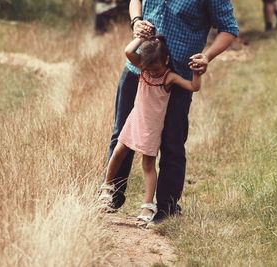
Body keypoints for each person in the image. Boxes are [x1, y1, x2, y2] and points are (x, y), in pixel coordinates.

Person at [104, 0, 239, 226]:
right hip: (140, 68)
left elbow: (229, 29)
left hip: (178, 72)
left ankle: (165, 208)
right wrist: (136, 21)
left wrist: (207, 56)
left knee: (172, 143)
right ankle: (111, 196)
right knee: (122, 134)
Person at [99, 35, 202, 223]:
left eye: (157, 68)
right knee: (118, 153)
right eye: (149, 69)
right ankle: (107, 187)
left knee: (148, 165)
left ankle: (148, 205)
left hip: (152, 128)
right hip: (135, 119)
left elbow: (193, 86)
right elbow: (128, 52)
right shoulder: (143, 69)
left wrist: (197, 71)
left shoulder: (168, 76)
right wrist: (139, 37)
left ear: (167, 60)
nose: (153, 73)